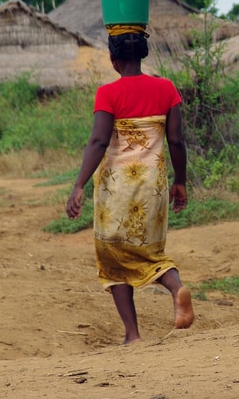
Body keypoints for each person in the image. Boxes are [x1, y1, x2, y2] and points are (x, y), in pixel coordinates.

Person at [65, 28, 194, 343]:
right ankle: (177, 290)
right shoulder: (166, 89)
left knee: (111, 256)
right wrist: (181, 181)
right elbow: (176, 141)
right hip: (154, 185)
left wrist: (78, 185)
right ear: (143, 54)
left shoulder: (108, 93)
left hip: (116, 188)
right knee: (151, 250)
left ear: (113, 59)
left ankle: (132, 335)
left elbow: (98, 141)